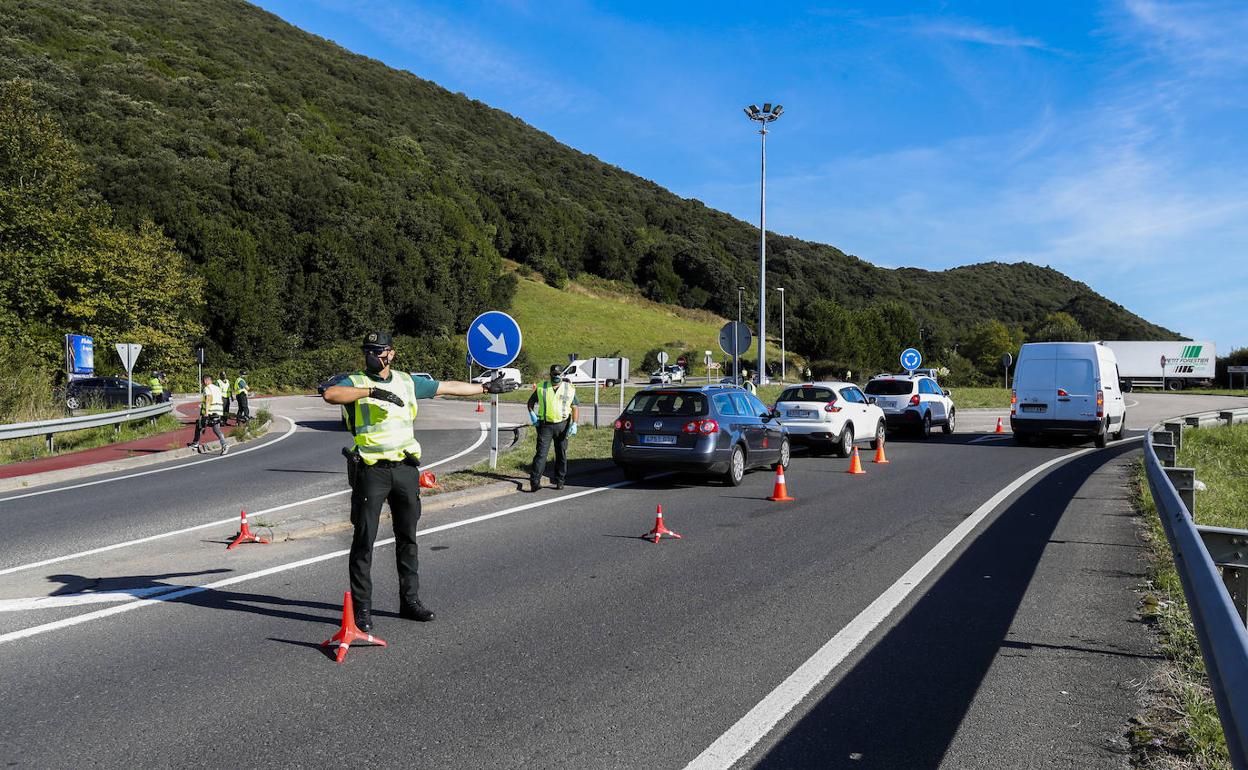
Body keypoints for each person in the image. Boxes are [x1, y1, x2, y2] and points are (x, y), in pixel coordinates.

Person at [322, 332, 516, 633]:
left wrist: (485, 386)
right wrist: (371, 392)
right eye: (368, 351)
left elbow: (447, 386)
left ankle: (409, 601)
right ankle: (361, 610)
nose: (373, 355)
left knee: (408, 538)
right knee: (364, 541)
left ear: (391, 354)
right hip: (371, 470)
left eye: (379, 351)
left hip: (405, 469)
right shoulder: (356, 381)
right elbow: (331, 394)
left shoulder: (406, 381)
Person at [526, 364, 579, 493]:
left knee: (561, 453)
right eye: (554, 374)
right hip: (545, 426)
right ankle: (535, 482)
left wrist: (575, 423)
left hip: (563, 425)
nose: (556, 376)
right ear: (550, 374)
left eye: (558, 374)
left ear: (562, 375)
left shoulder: (569, 388)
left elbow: (575, 407)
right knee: (541, 454)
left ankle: (560, 481)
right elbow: (530, 403)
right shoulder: (542, 387)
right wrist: (532, 414)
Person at [188, 374, 227, 455]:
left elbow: (209, 398)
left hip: (211, 412)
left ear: (206, 381)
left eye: (203, 381)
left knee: (199, 424)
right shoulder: (217, 388)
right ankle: (224, 444)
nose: (203, 383)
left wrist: (206, 412)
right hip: (218, 411)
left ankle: (195, 443)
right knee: (216, 429)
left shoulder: (207, 388)